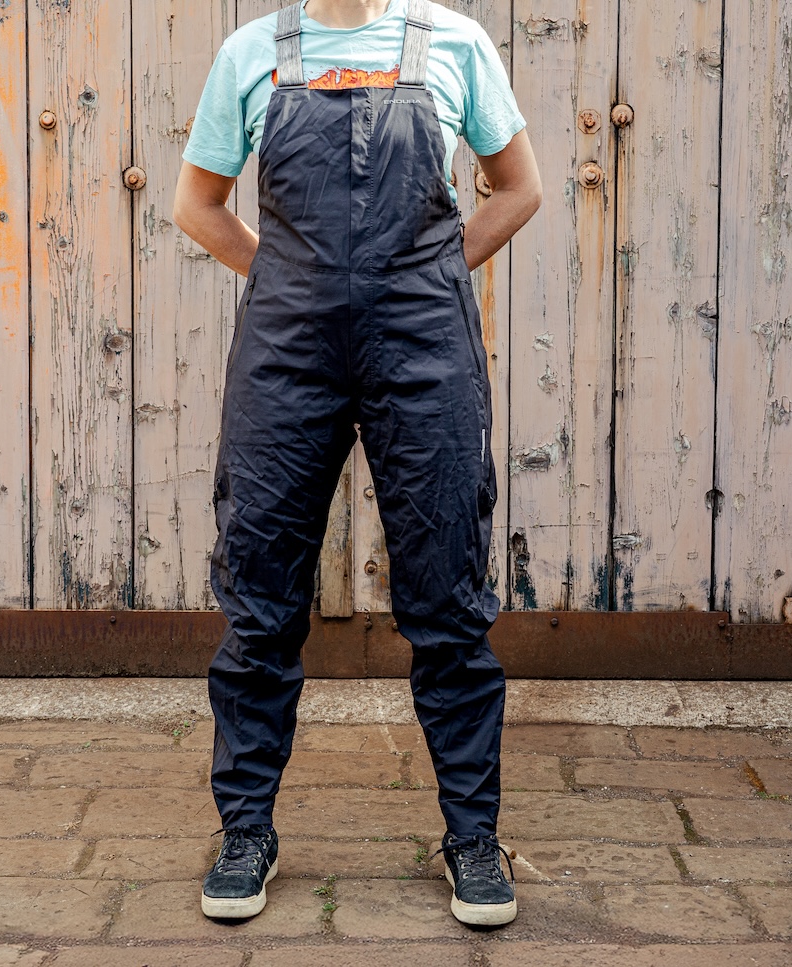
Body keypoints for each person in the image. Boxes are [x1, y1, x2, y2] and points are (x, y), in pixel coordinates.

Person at [172, 0, 541, 928]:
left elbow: (519, 188)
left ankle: (472, 836)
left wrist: (430, 276)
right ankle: (246, 830)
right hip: (288, 348)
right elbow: (196, 205)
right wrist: (291, 282)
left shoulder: (453, 43)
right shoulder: (251, 54)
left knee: (447, 593)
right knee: (260, 589)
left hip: (423, 343)